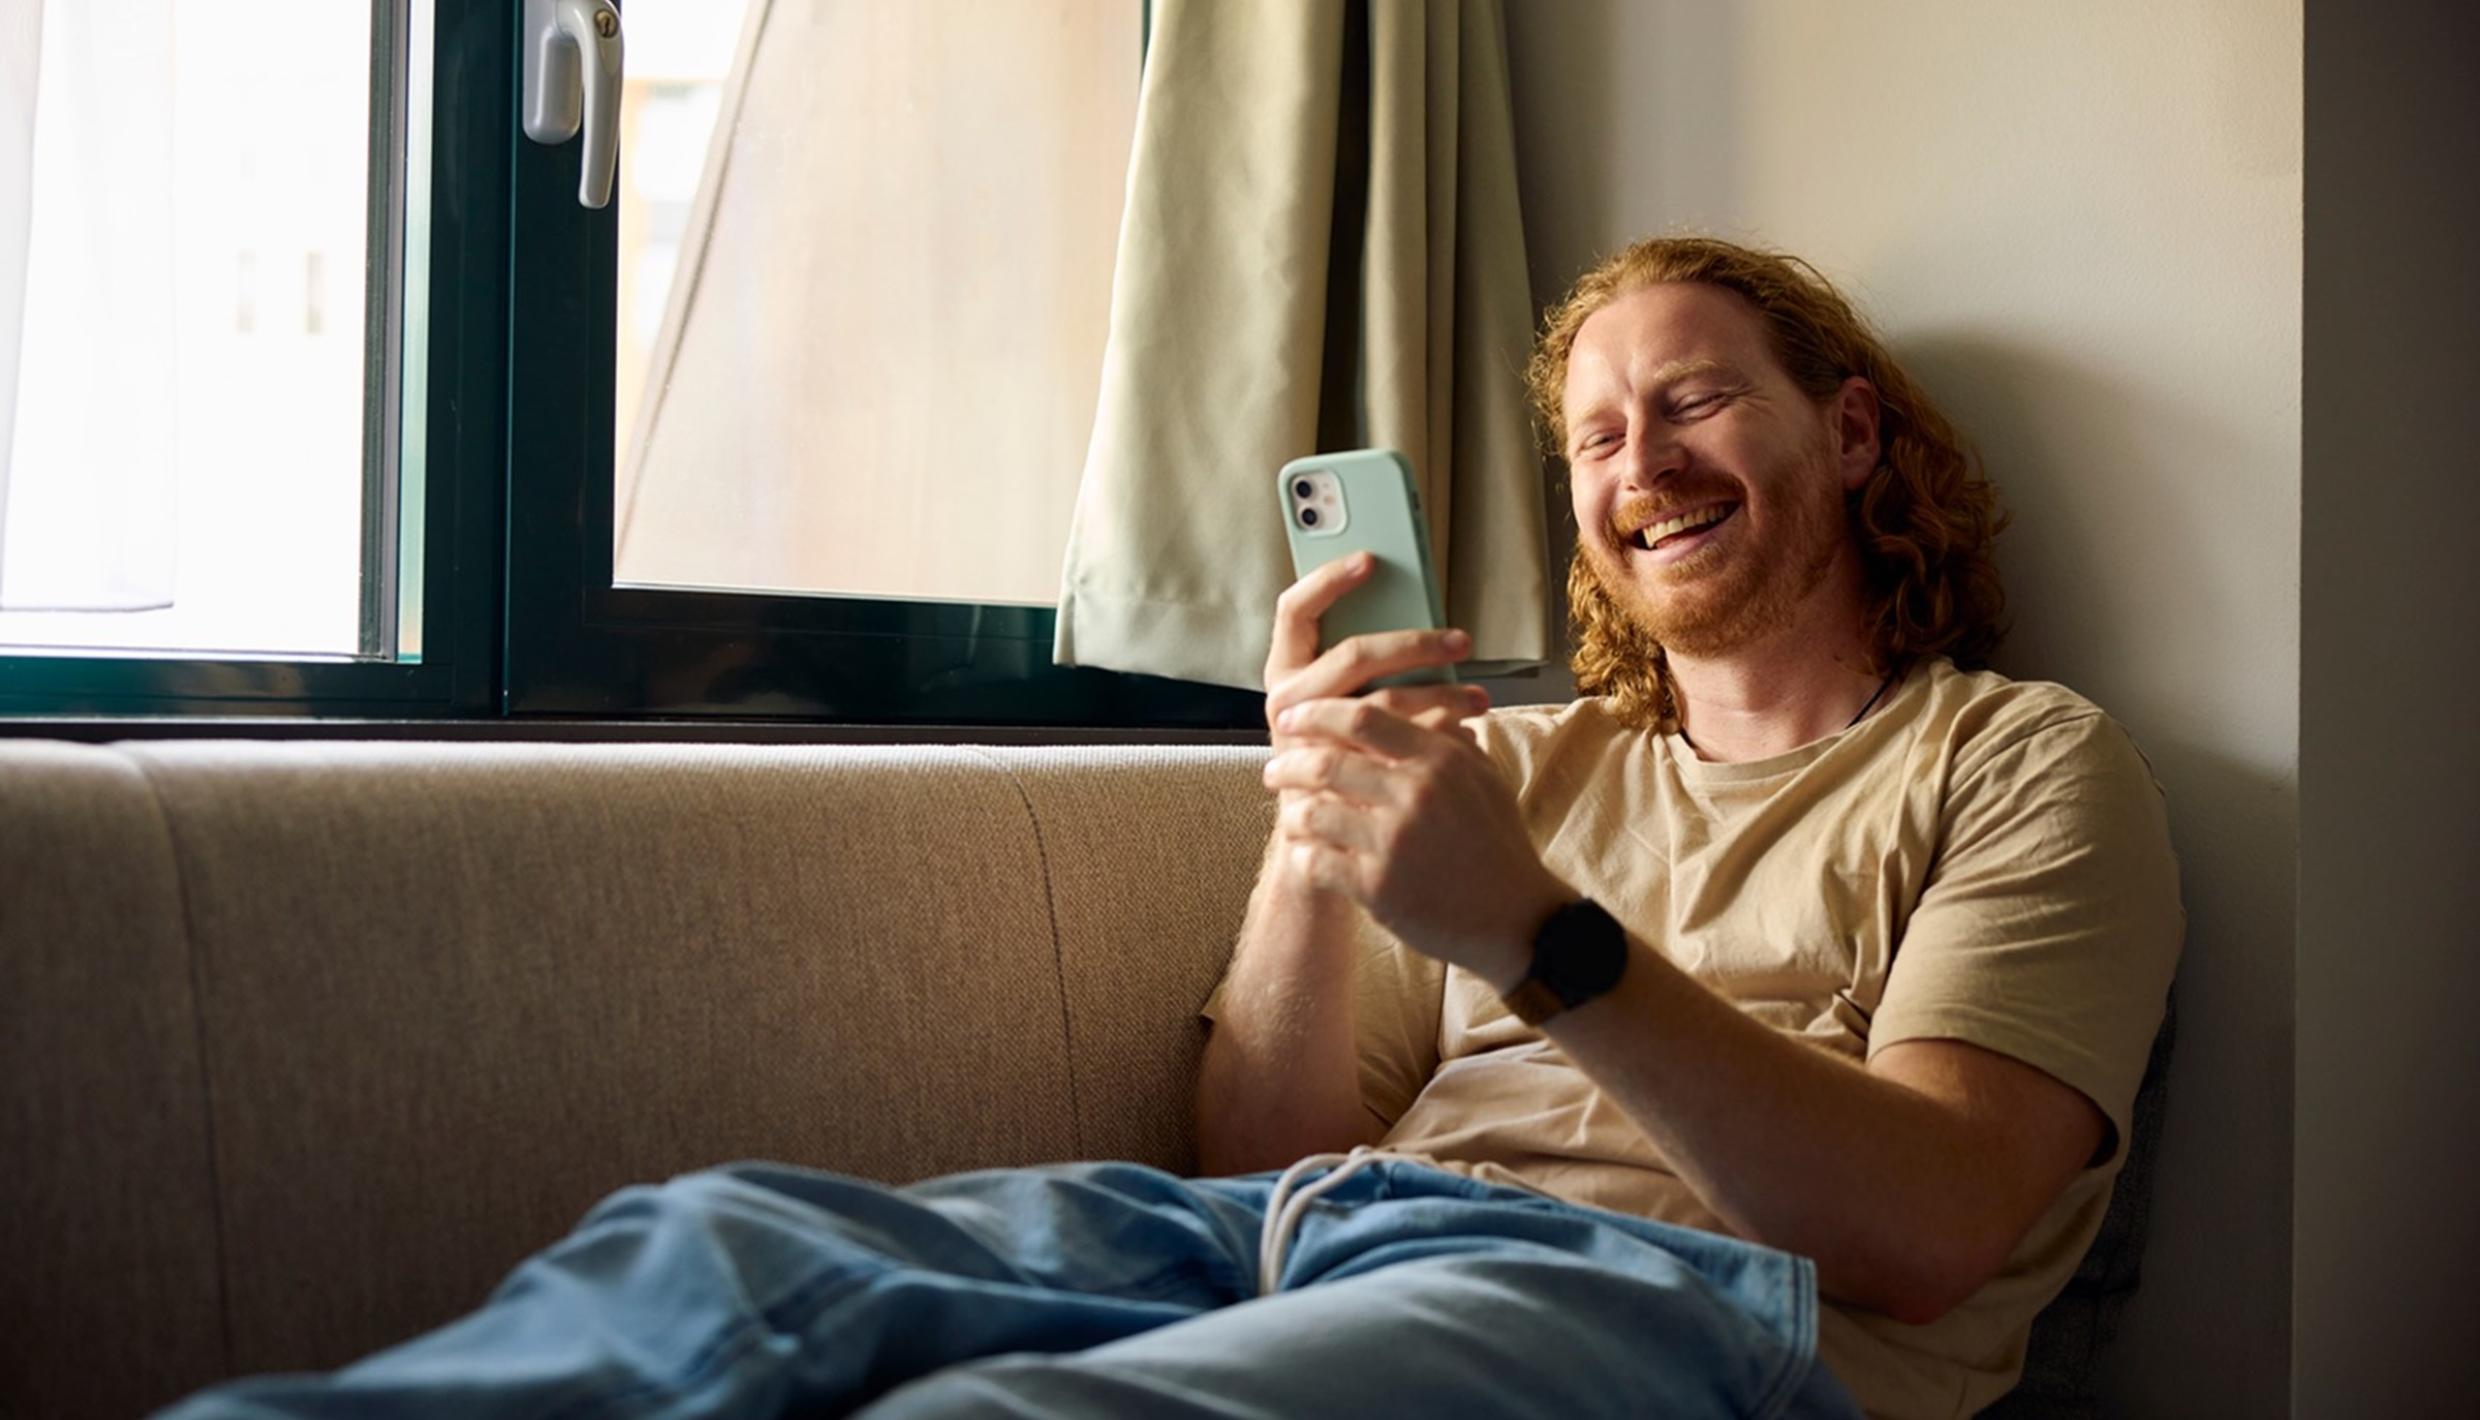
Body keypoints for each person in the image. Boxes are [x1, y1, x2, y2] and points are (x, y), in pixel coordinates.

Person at [160, 235, 2181, 1420]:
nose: (1632, 462)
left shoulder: (2016, 763)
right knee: (716, 1254)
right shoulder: (1531, 766)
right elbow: (1271, 1155)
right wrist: (1316, 824)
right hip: (1316, 1226)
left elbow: (1933, 1230)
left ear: (1843, 431)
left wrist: (1541, 941)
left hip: (1683, 1317)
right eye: (1588, 431)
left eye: (1693, 401)